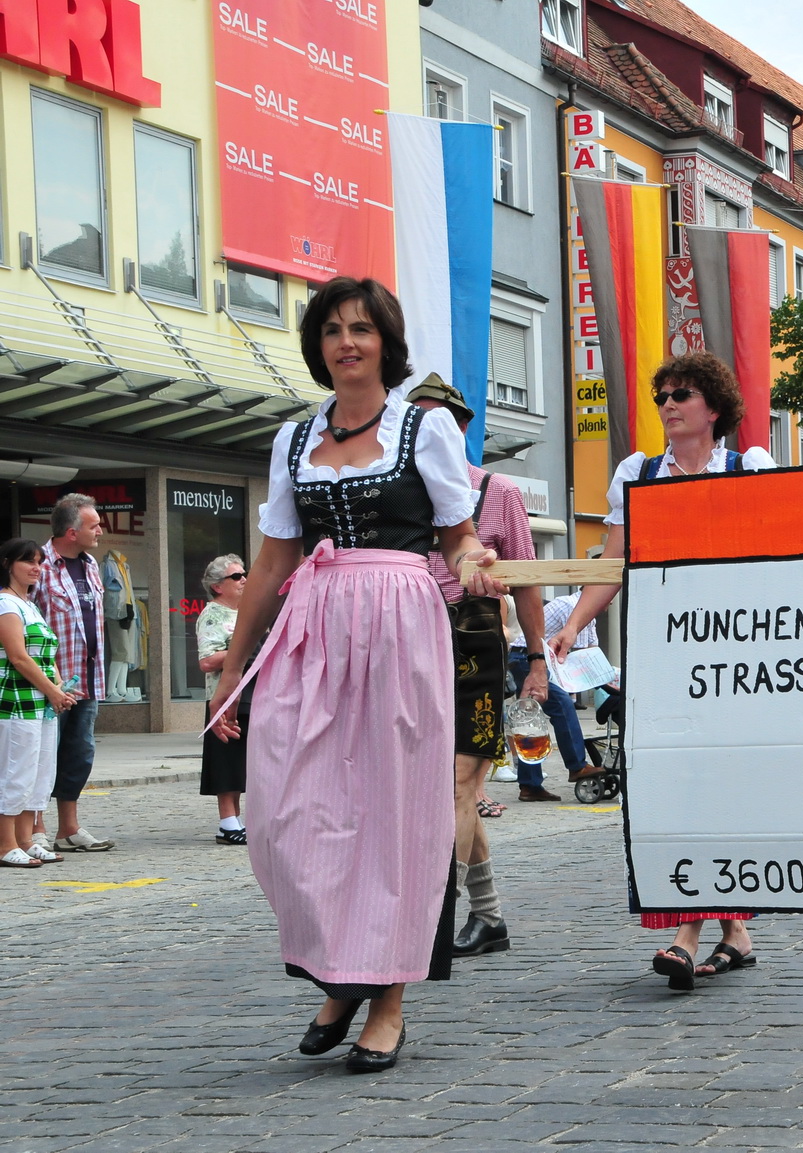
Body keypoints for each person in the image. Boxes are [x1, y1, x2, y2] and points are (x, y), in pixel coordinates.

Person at [208, 276, 507, 1073]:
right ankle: (338, 969)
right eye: (334, 329)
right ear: (318, 345)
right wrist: (234, 668)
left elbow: (457, 536)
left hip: (401, 624)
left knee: (397, 815)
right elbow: (274, 558)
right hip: (316, 627)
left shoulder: (425, 428)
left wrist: (476, 562)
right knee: (289, 809)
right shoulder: (294, 438)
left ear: (386, 342)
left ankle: (387, 998)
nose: (347, 341)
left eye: (362, 329)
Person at [551, 350, 775, 989]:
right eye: (663, 396)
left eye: (682, 394)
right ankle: (733, 929)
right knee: (672, 787)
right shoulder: (637, 472)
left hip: (729, 651)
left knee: (716, 786)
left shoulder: (748, 468)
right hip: (662, 647)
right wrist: (574, 623)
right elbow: (615, 566)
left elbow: (772, 560)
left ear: (714, 406)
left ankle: (687, 932)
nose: (669, 404)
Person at [406, 374, 549, 960]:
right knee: (443, 791)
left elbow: (528, 586)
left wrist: (536, 660)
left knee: (460, 785)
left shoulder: (497, 491)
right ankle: (488, 917)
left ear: (461, 429)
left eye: (436, 418)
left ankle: (433, 921)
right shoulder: (397, 496)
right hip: (410, 638)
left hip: (475, 640)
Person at [33, 493, 112, 853]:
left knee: (79, 754)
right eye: (94, 524)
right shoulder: (38, 566)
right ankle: (35, 828)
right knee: (43, 753)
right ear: (71, 531)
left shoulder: (91, 564)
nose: (100, 529)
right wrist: (45, 679)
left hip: (88, 677)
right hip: (51, 681)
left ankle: (68, 829)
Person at [0, 539, 75, 868]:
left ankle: (26, 839)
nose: (35, 567)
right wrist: (53, 690)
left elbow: (47, 656)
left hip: (42, 704)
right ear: (8, 564)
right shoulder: (5, 604)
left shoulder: (30, 604)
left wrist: (59, 686)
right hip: (17, 701)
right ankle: (5, 844)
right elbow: (19, 657)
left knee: (40, 772)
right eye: (27, 561)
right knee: (16, 771)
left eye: (39, 561)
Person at [510, 590, 603, 784]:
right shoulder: (572, 607)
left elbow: (593, 652)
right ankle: (577, 766)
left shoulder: (588, 615)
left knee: (531, 718)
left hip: (536, 658)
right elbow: (583, 654)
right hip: (526, 657)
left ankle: (530, 785)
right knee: (561, 705)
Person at [195, 555, 249, 844]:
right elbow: (207, 660)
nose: (244, 580)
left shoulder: (247, 612)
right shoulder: (213, 614)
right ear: (218, 586)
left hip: (252, 693)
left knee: (242, 759)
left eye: (244, 574)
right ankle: (227, 822)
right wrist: (246, 651)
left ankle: (237, 820)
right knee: (227, 757)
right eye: (236, 576)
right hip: (224, 696)